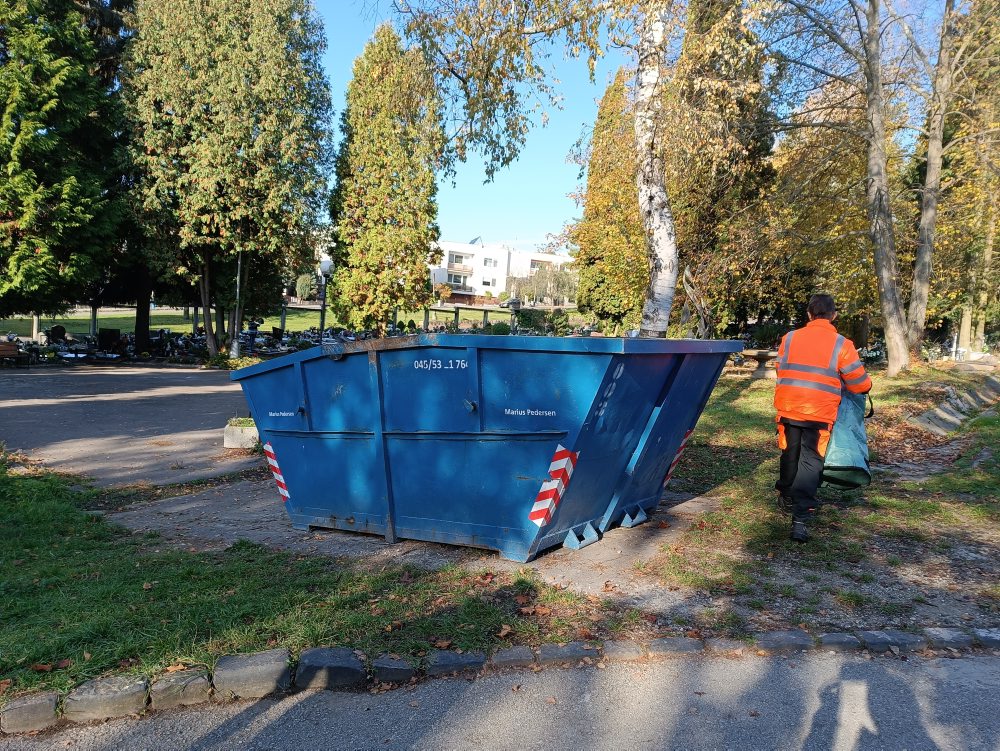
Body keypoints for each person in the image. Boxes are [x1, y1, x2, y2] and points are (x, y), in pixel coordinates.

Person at [774, 294, 872, 543]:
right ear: (834, 315)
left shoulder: (790, 338)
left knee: (789, 452)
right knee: (811, 461)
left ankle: (786, 493)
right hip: (819, 412)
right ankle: (800, 518)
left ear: (808, 314)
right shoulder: (842, 344)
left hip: (789, 406)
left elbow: (780, 368)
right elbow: (859, 384)